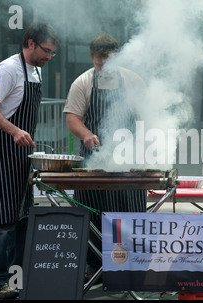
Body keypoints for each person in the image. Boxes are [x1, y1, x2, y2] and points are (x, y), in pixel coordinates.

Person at [0, 23, 60, 299]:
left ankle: (16, 279)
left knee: (21, 216)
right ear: (30, 43)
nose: (49, 57)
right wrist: (14, 131)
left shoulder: (36, 71)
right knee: (2, 218)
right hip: (1, 148)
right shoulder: (8, 69)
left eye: (52, 53)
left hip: (21, 153)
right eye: (45, 51)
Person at [63, 33, 147, 279]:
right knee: (92, 213)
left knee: (128, 214)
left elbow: (147, 117)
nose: (103, 66)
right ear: (92, 57)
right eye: (99, 61)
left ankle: (132, 265)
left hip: (127, 163)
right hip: (94, 163)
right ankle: (92, 266)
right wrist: (87, 134)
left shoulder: (132, 81)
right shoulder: (83, 82)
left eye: (108, 60)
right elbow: (72, 119)